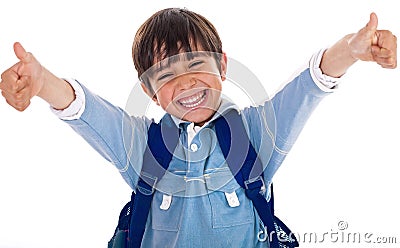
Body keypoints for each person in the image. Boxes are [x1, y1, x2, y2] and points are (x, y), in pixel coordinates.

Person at [0, 7, 396, 248]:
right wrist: (42, 82)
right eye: (166, 74)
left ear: (222, 67)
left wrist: (349, 52)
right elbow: (87, 112)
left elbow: (306, 89)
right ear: (149, 92)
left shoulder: (256, 134)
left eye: (195, 64)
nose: (187, 82)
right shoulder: (143, 146)